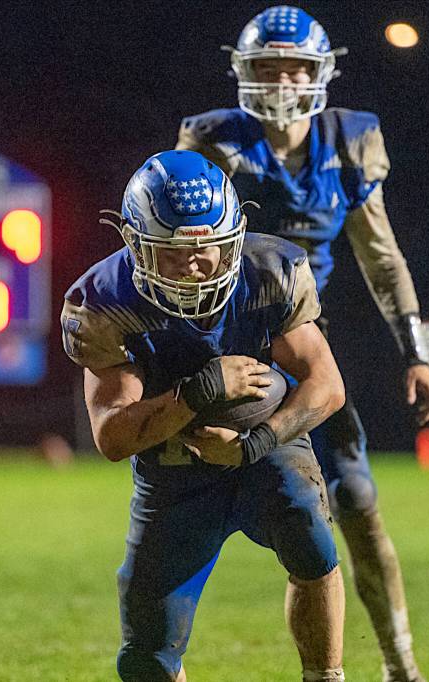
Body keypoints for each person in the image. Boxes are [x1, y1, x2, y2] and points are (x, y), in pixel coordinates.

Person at [176, 7, 429, 680]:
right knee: (183, 514)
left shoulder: (349, 144)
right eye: (267, 67)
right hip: (226, 344)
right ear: (244, 71)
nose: (281, 81)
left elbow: (381, 257)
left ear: (320, 73)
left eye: (294, 67)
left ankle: (401, 666)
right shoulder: (213, 143)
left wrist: (417, 353)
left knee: (357, 505)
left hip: (304, 348)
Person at [62, 149, 348, 682]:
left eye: (208, 248)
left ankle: (326, 677)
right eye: (172, 251)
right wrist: (196, 395)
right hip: (173, 471)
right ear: (137, 245)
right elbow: (112, 436)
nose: (194, 264)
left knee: (314, 547)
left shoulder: (269, 272)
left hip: (266, 449)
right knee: (146, 659)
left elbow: (326, 387)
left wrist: (253, 445)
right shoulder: (104, 301)